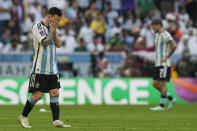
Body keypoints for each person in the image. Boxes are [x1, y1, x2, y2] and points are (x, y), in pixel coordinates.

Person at [17, 7, 71, 128]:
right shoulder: (38, 27)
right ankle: (23, 116)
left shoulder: (53, 28)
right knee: (38, 95)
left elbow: (59, 44)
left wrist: (54, 30)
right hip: (39, 68)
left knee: (55, 92)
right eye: (56, 19)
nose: (57, 22)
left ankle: (56, 121)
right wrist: (52, 30)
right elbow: (45, 42)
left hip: (53, 69)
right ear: (49, 17)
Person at [150, 19, 177, 111]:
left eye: (154, 26)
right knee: (155, 84)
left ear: (159, 25)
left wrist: (167, 56)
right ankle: (171, 99)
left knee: (162, 84)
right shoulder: (157, 35)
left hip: (164, 63)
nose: (152, 28)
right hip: (157, 63)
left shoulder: (166, 34)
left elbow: (174, 46)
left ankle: (161, 106)